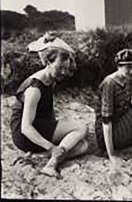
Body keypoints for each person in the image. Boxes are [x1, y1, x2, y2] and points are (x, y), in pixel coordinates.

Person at [10, 32, 88, 177]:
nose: (64, 72)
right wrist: (52, 147)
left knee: (82, 146)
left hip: (40, 124)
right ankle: (51, 164)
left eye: (66, 68)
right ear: (48, 62)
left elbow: (45, 109)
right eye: (60, 68)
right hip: (24, 135)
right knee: (81, 128)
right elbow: (26, 127)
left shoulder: (49, 79)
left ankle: (38, 157)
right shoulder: (35, 89)